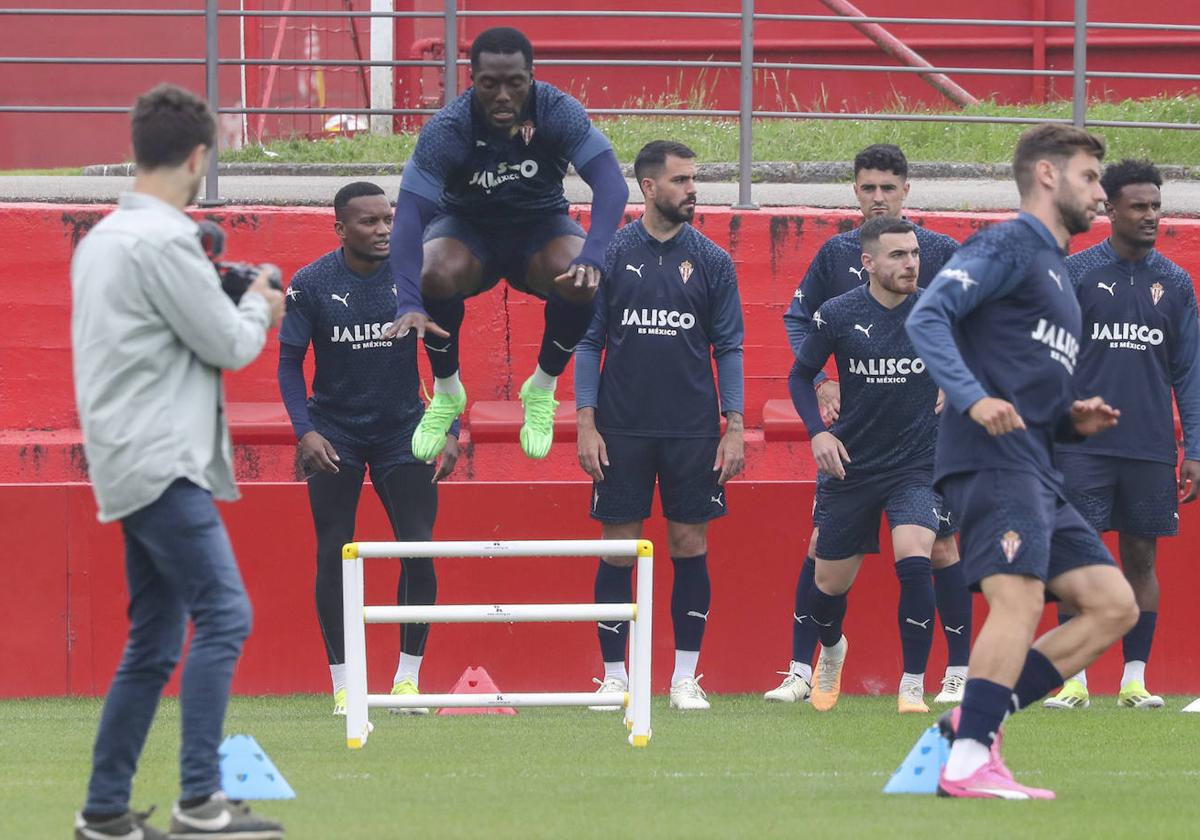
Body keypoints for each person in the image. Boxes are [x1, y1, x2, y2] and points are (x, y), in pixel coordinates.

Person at [70, 84, 284, 839]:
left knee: (154, 642)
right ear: (199, 156)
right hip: (164, 457)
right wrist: (258, 301)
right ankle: (201, 800)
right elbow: (228, 344)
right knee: (225, 615)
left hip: (124, 456)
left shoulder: (101, 238)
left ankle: (103, 811)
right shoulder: (164, 242)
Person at [906, 124, 1139, 799]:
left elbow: (1027, 377)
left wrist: (1072, 417)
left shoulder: (1060, 274)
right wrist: (973, 399)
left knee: (1112, 606)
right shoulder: (1009, 243)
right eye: (1091, 177)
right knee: (1020, 598)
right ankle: (969, 759)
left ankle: (972, 724)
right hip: (992, 460)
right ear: (1046, 175)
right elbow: (929, 316)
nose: (1102, 192)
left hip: (1037, 465)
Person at [767, 144, 971, 706]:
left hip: (920, 450)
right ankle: (807, 665)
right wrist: (824, 382)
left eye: (888, 187)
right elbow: (801, 328)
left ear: (907, 189)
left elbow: (981, 330)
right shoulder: (837, 255)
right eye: (867, 188)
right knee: (825, 563)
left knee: (934, 550)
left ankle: (948, 673)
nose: (878, 197)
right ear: (854, 192)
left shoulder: (942, 255)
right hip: (854, 443)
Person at [385, 26, 628, 462]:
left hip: (539, 227)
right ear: (471, 79)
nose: (502, 95)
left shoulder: (557, 110)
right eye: (489, 84)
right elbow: (407, 219)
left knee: (581, 276)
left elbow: (612, 184)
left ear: (531, 77)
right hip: (466, 229)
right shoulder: (450, 127)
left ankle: (542, 388)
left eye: (514, 83)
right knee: (431, 273)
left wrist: (594, 254)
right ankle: (446, 392)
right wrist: (408, 301)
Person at [277, 182, 459, 718]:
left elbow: (447, 358)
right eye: (369, 222)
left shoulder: (417, 275)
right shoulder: (311, 283)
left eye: (388, 220)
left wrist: (450, 426)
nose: (383, 230)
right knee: (334, 549)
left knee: (418, 549)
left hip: (405, 430)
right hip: (334, 433)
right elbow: (289, 364)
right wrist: (303, 430)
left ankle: (407, 682)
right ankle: (343, 684)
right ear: (340, 229)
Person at [576, 140, 744, 712]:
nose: (692, 189)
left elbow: (731, 348)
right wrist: (585, 422)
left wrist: (735, 425)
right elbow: (588, 341)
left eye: (695, 179)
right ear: (649, 187)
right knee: (619, 549)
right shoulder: (610, 253)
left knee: (688, 543)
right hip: (620, 430)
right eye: (680, 180)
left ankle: (684, 679)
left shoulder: (713, 260)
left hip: (693, 431)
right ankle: (616, 677)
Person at [1044, 159, 1200, 710]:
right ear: (1109, 209)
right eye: (1139, 206)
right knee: (1076, 560)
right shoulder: (1076, 272)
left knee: (1141, 561)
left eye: (1157, 206)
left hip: (1150, 447)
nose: (1152, 216)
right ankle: (1074, 682)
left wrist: (1195, 450)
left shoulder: (1177, 283)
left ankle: (1135, 681)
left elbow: (1188, 371)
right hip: (1082, 448)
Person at [782, 216, 946, 714]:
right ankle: (831, 649)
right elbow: (799, 376)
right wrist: (818, 433)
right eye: (898, 256)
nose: (910, 263)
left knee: (915, 555)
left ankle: (913, 684)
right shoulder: (836, 312)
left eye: (914, 253)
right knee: (827, 587)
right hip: (851, 467)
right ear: (868, 263)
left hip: (916, 465)